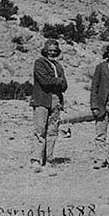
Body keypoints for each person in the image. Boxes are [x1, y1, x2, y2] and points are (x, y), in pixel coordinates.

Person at [30, 39, 68, 169]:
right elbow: (44, 81)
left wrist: (57, 81)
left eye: (55, 51)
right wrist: (58, 81)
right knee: (40, 130)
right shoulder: (39, 63)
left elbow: (65, 85)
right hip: (42, 99)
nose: (52, 53)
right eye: (50, 50)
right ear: (45, 51)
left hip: (56, 100)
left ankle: (49, 158)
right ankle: (36, 158)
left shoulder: (58, 66)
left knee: (52, 131)